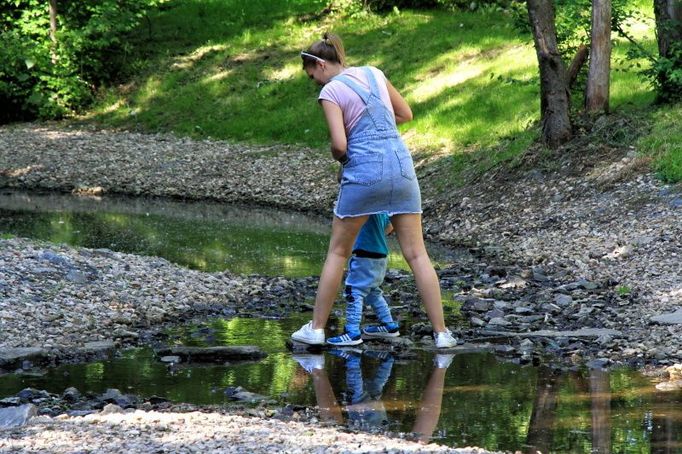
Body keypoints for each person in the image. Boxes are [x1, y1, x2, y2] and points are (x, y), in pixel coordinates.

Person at [291, 32, 457, 349]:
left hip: (365, 173)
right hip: (402, 167)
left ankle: (316, 329)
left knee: (338, 253)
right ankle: (442, 334)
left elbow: (340, 144)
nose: (315, 82)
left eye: (313, 76)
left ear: (320, 65)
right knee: (417, 254)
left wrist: (338, 155)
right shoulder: (374, 73)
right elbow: (405, 114)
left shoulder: (331, 91)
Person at [326, 213, 400, 346]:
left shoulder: (363, 205)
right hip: (381, 256)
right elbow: (390, 227)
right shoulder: (382, 209)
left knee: (354, 291)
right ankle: (389, 325)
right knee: (373, 292)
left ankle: (352, 332)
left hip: (364, 256)